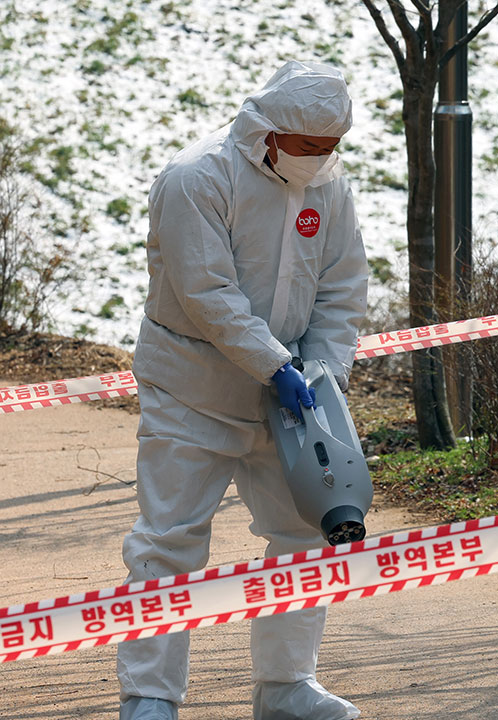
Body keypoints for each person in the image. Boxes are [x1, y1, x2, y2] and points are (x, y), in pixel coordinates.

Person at [117, 60, 368, 720]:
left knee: (305, 530)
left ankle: (286, 686)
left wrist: (322, 375)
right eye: (308, 148)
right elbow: (207, 295)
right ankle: (149, 696)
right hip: (191, 389)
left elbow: (342, 289)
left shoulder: (328, 189)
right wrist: (275, 366)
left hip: (289, 407)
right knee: (170, 540)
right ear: (269, 131)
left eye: (330, 148)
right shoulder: (196, 178)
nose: (319, 160)